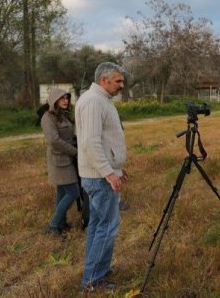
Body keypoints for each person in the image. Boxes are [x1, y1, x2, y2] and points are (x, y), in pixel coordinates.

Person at [75, 62, 128, 291]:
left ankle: (97, 272)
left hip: (101, 174)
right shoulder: (93, 101)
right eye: (118, 81)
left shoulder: (100, 100)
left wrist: (116, 167)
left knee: (99, 226)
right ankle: (94, 280)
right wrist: (108, 172)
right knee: (107, 226)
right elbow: (90, 142)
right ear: (104, 80)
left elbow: (104, 142)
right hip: (98, 177)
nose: (121, 85)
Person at [41, 88, 79, 238]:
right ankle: (53, 225)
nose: (65, 101)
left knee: (62, 192)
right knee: (73, 192)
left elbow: (69, 135)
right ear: (54, 100)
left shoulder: (64, 116)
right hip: (59, 161)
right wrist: (74, 151)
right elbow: (54, 140)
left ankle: (61, 223)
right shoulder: (48, 117)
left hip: (67, 159)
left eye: (67, 98)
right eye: (61, 98)